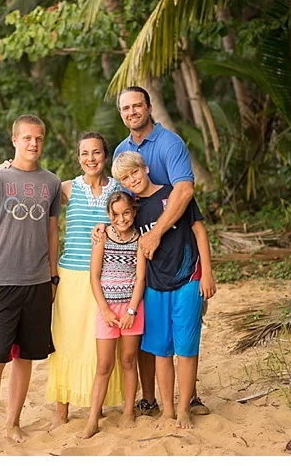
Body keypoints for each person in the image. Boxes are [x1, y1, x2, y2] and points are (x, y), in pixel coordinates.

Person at [94, 85, 209, 416]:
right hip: (146, 269)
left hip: (179, 258)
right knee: (153, 338)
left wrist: (156, 234)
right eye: (125, 108)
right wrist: (103, 225)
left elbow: (185, 191)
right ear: (121, 113)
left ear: (148, 107)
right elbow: (120, 203)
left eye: (137, 105)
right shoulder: (121, 151)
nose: (132, 112)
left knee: (184, 337)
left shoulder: (170, 143)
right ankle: (151, 399)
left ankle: (190, 399)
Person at [0, 114, 62, 456]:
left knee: (25, 358)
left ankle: (13, 423)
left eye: (38, 138)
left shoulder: (51, 183)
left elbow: (52, 233)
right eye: (27, 138)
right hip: (0, 283)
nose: (33, 144)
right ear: (14, 140)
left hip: (37, 283)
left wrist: (53, 276)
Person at [111, 151, 216, 429]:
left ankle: (184, 410)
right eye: (125, 178)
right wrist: (100, 228)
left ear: (145, 168)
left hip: (188, 279)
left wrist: (207, 273)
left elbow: (199, 231)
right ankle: (168, 410)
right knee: (162, 351)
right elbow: (117, 227)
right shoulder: (133, 209)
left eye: (135, 172)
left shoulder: (174, 194)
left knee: (186, 348)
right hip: (154, 286)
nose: (132, 179)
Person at [46, 132, 125, 428]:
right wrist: (7, 169)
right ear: (78, 157)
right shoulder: (66, 188)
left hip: (106, 279)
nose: (91, 159)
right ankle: (61, 413)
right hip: (70, 277)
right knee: (66, 341)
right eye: (84, 153)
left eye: (96, 152)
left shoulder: (118, 188)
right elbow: (34, 191)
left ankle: (97, 407)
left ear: (105, 155)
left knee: (97, 346)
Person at [78, 191, 146, 439]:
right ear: (109, 215)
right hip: (107, 311)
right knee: (104, 365)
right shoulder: (103, 236)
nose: (121, 218)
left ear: (134, 212)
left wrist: (131, 310)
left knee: (128, 361)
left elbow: (140, 278)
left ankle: (128, 412)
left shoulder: (140, 239)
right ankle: (93, 419)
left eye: (126, 212)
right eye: (115, 214)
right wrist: (105, 310)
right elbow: (94, 276)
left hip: (131, 311)